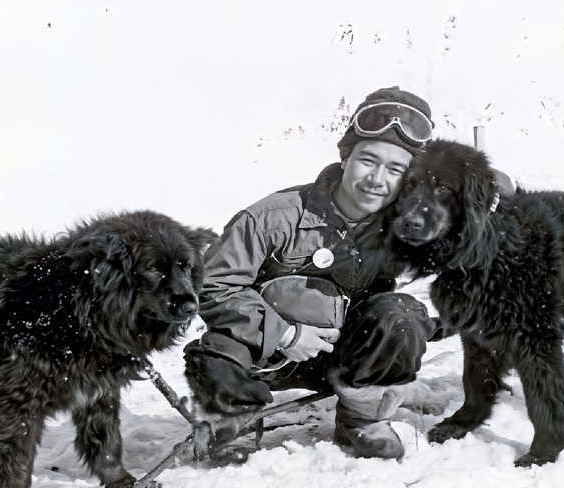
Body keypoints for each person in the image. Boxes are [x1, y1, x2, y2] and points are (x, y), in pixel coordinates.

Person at [183, 87, 440, 460]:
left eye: (395, 170)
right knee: (219, 353)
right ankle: (228, 419)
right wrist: (285, 334)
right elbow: (212, 285)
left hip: (346, 358)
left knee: (401, 318)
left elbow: (467, 247)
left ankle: (361, 420)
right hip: (265, 358)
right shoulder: (272, 218)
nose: (377, 179)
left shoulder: (404, 226)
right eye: (368, 160)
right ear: (346, 157)